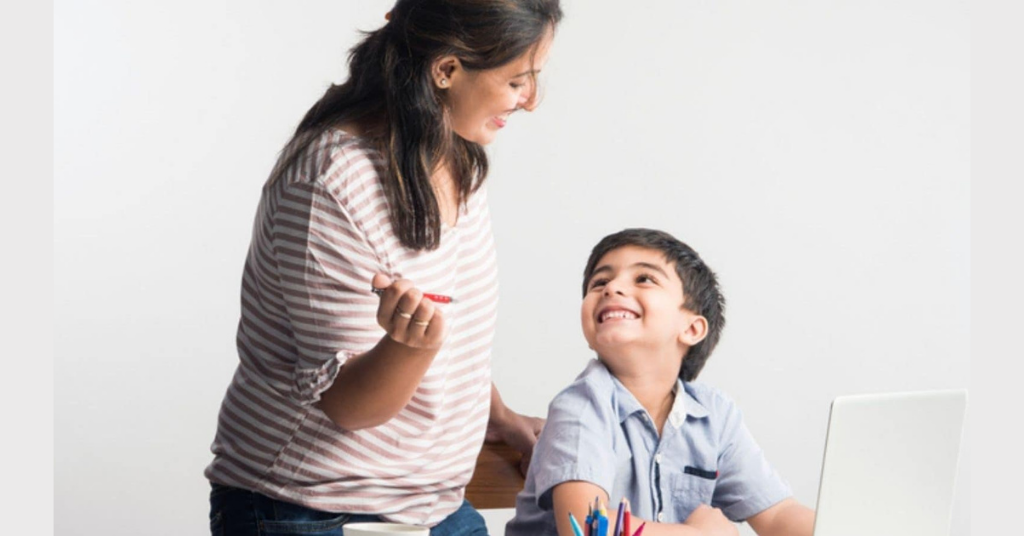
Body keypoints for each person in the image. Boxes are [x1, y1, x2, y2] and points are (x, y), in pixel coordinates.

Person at [204, 1, 563, 534]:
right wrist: (407, 347)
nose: (531, 101)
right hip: (309, 510)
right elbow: (350, 407)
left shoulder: (455, 155)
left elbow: (449, 334)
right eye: (519, 80)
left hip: (432, 504)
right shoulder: (329, 181)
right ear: (446, 70)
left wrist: (500, 418)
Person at [505, 229, 816, 536]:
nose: (611, 287)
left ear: (692, 329)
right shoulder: (582, 406)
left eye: (644, 279)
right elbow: (587, 529)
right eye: (599, 282)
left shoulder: (715, 417)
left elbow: (778, 515)